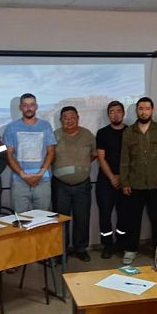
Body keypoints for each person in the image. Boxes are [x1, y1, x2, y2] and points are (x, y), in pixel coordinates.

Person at [120, 97, 157, 266]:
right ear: (137, 111)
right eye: (141, 109)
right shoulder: (129, 132)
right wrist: (125, 182)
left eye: (147, 109)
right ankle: (130, 249)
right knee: (132, 220)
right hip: (135, 184)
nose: (144, 112)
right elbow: (124, 160)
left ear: (152, 110)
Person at [52, 106, 97, 262]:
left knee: (82, 218)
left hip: (82, 185)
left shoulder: (87, 135)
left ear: (78, 118)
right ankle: (61, 251)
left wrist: (80, 168)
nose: (69, 120)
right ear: (61, 120)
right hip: (60, 186)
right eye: (65, 118)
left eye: (72, 117)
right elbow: (49, 157)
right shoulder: (55, 135)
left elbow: (94, 154)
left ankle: (81, 248)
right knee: (61, 220)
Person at [3, 93, 56, 213]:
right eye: (25, 105)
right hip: (19, 181)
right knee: (22, 219)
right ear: (20, 107)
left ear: (36, 106)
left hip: (43, 179)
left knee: (43, 218)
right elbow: (9, 155)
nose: (28, 108)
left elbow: (51, 152)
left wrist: (40, 173)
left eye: (31, 105)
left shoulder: (45, 126)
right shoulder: (11, 127)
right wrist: (23, 174)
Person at [95, 101, 127, 259]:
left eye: (118, 111)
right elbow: (101, 158)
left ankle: (121, 244)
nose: (115, 114)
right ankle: (107, 245)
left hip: (126, 180)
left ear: (123, 113)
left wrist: (121, 176)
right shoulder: (102, 133)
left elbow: (133, 157)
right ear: (108, 115)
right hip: (105, 180)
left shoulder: (130, 132)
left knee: (124, 214)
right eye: (112, 111)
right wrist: (112, 177)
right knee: (105, 215)